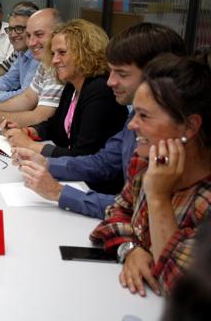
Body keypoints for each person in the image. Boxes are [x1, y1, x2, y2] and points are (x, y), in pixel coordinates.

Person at [14, 23, 187, 217]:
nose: (110, 81)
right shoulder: (134, 118)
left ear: (158, 75)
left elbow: (138, 212)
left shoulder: (177, 139)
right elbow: (105, 162)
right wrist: (47, 164)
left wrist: (58, 192)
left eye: (121, 73)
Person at [90, 53, 211, 297]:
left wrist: (158, 197)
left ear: (190, 126)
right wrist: (131, 249)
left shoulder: (204, 199)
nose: (132, 125)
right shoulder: (147, 160)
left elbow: (184, 290)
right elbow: (115, 214)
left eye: (144, 115)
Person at [4, 19, 128, 159]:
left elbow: (83, 155)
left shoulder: (100, 90)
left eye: (62, 52)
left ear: (86, 52)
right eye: (53, 54)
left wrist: (31, 146)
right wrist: (30, 131)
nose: (54, 60)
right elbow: (55, 126)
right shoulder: (72, 86)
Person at [0, 8, 64, 127]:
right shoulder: (46, 62)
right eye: (29, 35)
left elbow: (40, 116)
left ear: (58, 33)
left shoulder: (60, 65)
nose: (31, 42)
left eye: (39, 34)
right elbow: (27, 98)